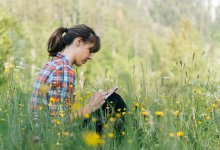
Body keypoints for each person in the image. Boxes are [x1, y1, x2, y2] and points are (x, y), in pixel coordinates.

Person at [30, 24, 126, 135]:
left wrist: (95, 102)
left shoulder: (54, 63)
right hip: (48, 135)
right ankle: (139, 138)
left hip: (41, 132)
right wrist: (91, 106)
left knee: (107, 100)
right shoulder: (63, 69)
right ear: (78, 42)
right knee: (114, 100)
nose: (90, 57)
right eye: (90, 50)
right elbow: (57, 122)